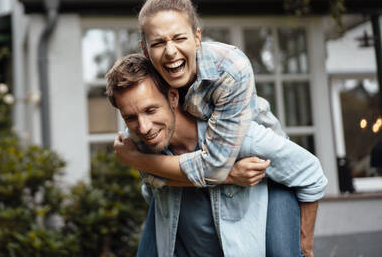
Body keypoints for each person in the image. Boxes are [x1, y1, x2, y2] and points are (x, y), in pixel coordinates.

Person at [105, 54, 327, 256]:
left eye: (151, 110)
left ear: (173, 97)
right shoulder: (136, 143)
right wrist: (228, 175)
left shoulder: (236, 135)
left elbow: (311, 173)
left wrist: (304, 248)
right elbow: (153, 182)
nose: (143, 127)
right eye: (130, 118)